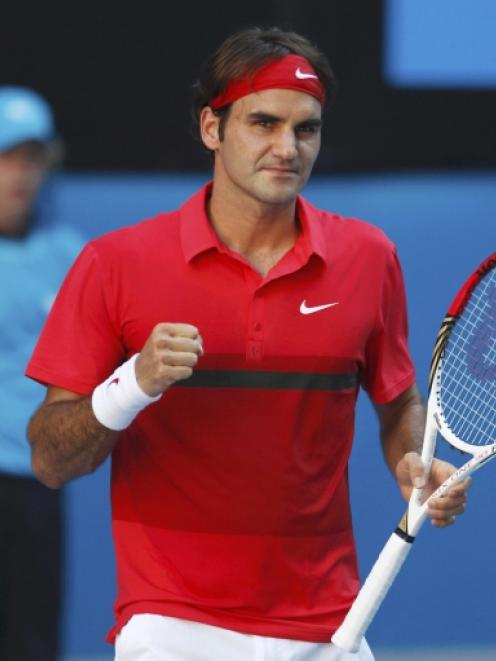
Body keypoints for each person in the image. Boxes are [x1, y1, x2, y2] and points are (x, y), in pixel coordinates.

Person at [26, 28, 470, 661]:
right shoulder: (115, 264)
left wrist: (413, 464)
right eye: (263, 123)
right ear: (212, 128)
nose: (287, 148)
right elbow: (50, 458)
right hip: (173, 626)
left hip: (330, 626)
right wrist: (133, 383)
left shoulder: (369, 258)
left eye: (306, 129)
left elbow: (398, 404)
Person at [0, 87, 82, 660]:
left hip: (35, 482)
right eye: (6, 157)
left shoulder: (71, 255)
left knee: (33, 640)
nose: (20, 174)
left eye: (31, 158)